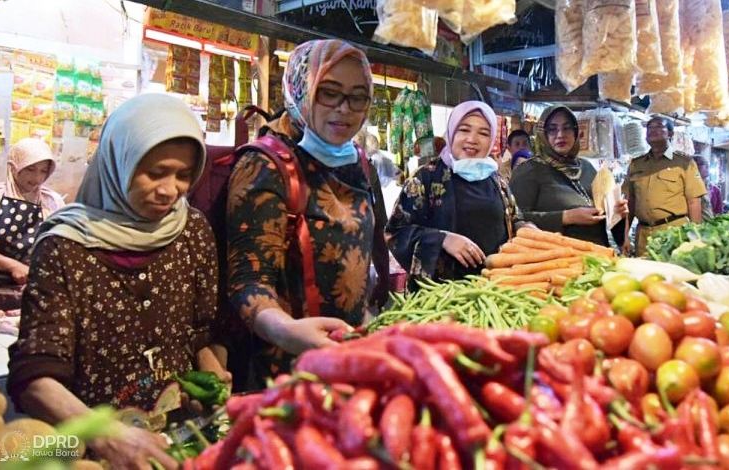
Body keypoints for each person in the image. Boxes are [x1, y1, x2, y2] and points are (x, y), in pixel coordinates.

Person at [8, 94, 230, 470]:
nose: (170, 190)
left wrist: (210, 376)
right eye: (155, 172)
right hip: (88, 451)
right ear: (118, 162)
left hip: (178, 444)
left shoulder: (191, 230)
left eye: (183, 175)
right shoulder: (65, 246)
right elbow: (35, 376)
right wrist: (108, 437)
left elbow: (201, 333)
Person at [227, 39, 389, 385]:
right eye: (328, 92)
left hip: (350, 356)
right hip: (285, 368)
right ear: (301, 88)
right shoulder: (265, 164)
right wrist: (286, 331)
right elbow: (247, 282)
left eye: (358, 96)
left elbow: (369, 254)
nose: (344, 109)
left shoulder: (358, 161)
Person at [387, 101, 525, 283]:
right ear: (452, 133)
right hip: (441, 297)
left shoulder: (497, 181)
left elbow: (514, 219)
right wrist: (442, 239)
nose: (472, 139)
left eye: (483, 133)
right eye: (464, 130)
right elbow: (395, 232)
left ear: (491, 140)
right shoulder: (425, 178)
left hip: (496, 290)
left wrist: (524, 227)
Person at [509, 106, 628, 247]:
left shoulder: (587, 168)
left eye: (567, 128)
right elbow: (514, 220)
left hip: (597, 257)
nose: (560, 135)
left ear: (576, 132)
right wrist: (566, 217)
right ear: (543, 134)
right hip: (555, 260)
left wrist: (618, 214)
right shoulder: (529, 171)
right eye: (552, 129)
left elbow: (613, 230)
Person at [622, 117, 708, 256]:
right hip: (644, 235)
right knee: (645, 275)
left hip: (674, 232)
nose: (653, 130)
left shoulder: (683, 163)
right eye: (649, 128)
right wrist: (624, 235)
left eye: (658, 126)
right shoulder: (636, 165)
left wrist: (695, 236)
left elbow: (693, 202)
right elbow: (629, 203)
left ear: (670, 133)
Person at [0, 138, 65, 288]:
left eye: (43, 171)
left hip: (29, 287)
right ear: (14, 167)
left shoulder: (52, 201)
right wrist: (12, 265)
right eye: (30, 169)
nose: (37, 178)